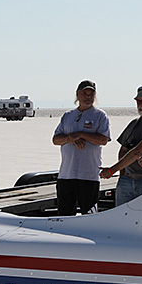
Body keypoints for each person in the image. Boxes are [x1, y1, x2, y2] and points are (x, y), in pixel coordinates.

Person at [51, 80, 111, 216]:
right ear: (78, 95)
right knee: (64, 215)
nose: (88, 97)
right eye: (84, 93)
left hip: (88, 176)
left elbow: (103, 139)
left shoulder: (100, 115)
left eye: (91, 94)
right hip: (66, 175)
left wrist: (82, 134)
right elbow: (55, 139)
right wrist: (69, 138)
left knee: (89, 214)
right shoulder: (68, 116)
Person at [112, 85, 142, 207]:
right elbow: (123, 150)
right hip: (126, 182)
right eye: (138, 102)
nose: (140, 105)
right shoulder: (134, 124)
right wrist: (122, 175)